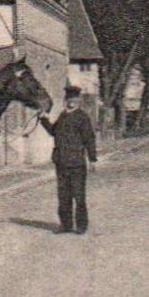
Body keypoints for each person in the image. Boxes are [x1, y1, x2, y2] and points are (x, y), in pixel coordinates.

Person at [40, 85, 97, 234]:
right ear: (66, 100)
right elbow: (53, 132)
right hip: (61, 162)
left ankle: (81, 226)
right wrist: (44, 120)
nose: (72, 101)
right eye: (69, 98)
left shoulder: (82, 117)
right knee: (63, 196)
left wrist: (92, 159)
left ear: (78, 100)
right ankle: (65, 225)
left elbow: (89, 138)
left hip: (77, 162)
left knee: (78, 196)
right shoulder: (63, 115)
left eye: (75, 98)